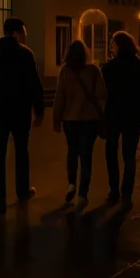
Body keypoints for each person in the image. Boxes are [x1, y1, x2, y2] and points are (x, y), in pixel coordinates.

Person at [0, 17, 45, 215]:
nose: (25, 37)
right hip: (20, 111)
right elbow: (35, 84)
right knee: (21, 150)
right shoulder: (25, 54)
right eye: (23, 33)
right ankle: (22, 190)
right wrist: (38, 111)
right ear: (16, 33)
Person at [52, 40, 107, 206]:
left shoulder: (64, 71)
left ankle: (71, 184)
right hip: (89, 120)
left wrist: (56, 119)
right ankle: (83, 193)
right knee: (86, 155)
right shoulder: (93, 70)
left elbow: (59, 98)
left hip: (70, 119)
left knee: (72, 151)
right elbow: (102, 94)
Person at [102, 31, 140, 205]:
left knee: (111, 153)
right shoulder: (138, 66)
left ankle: (113, 190)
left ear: (119, 46)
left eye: (113, 44)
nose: (110, 47)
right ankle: (126, 192)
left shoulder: (109, 67)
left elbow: (102, 92)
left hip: (114, 115)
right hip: (133, 115)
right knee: (129, 155)